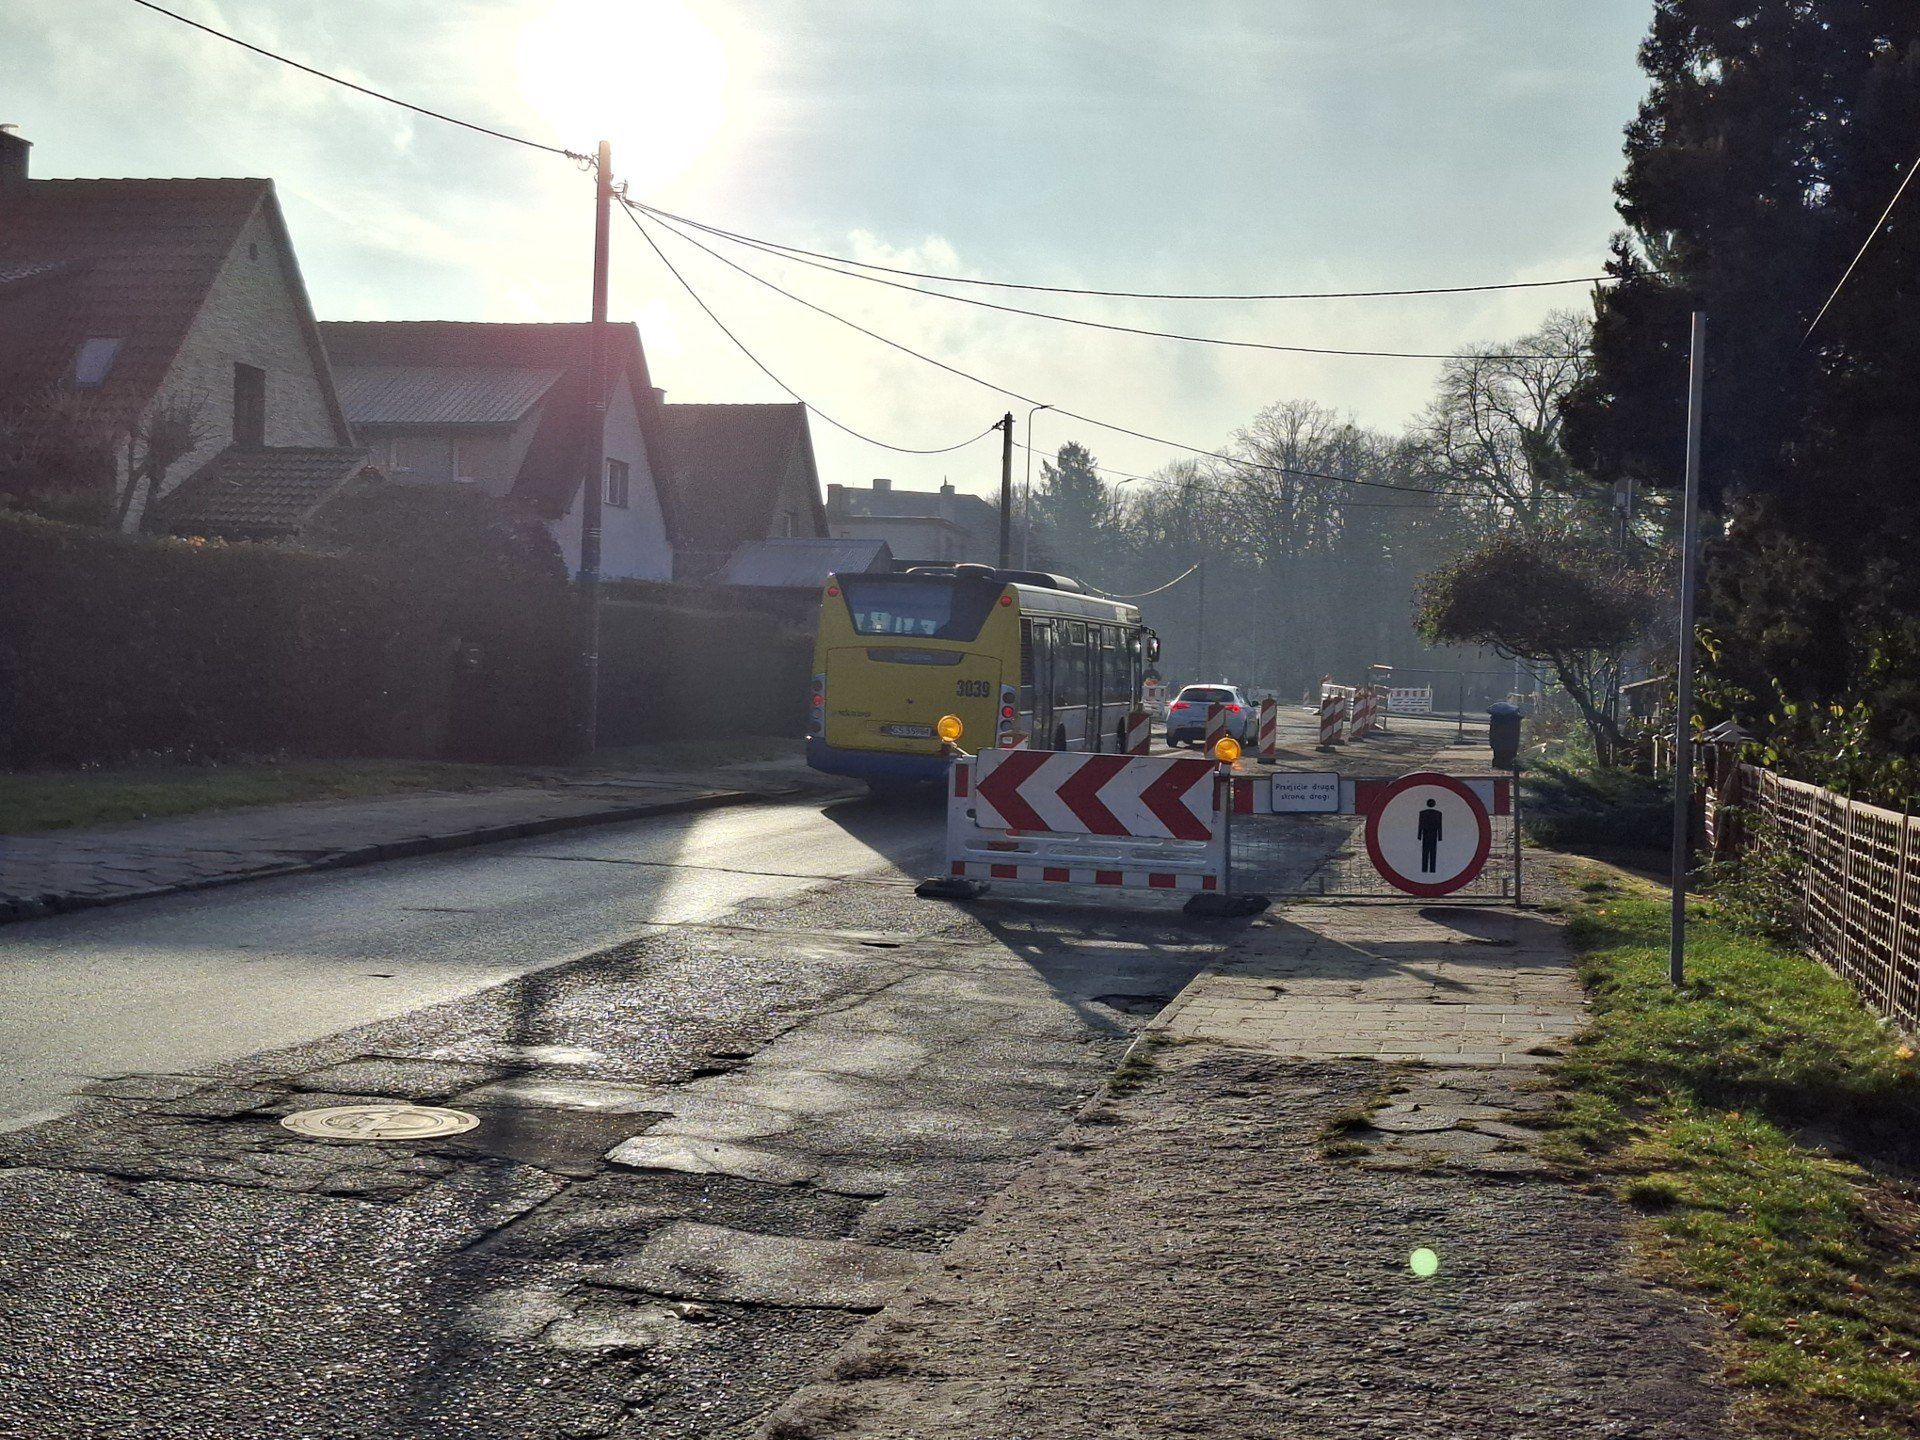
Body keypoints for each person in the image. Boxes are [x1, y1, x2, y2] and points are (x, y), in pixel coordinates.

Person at [1417, 798, 1443, 874]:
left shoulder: (1422, 813)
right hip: (1433, 835)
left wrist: (1419, 836)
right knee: (1432, 852)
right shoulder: (1438, 813)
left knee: (1425, 852)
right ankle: (1432, 869)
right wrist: (1440, 837)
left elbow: (1420, 826)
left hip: (1426, 834)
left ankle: (1425, 869)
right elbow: (1439, 826)